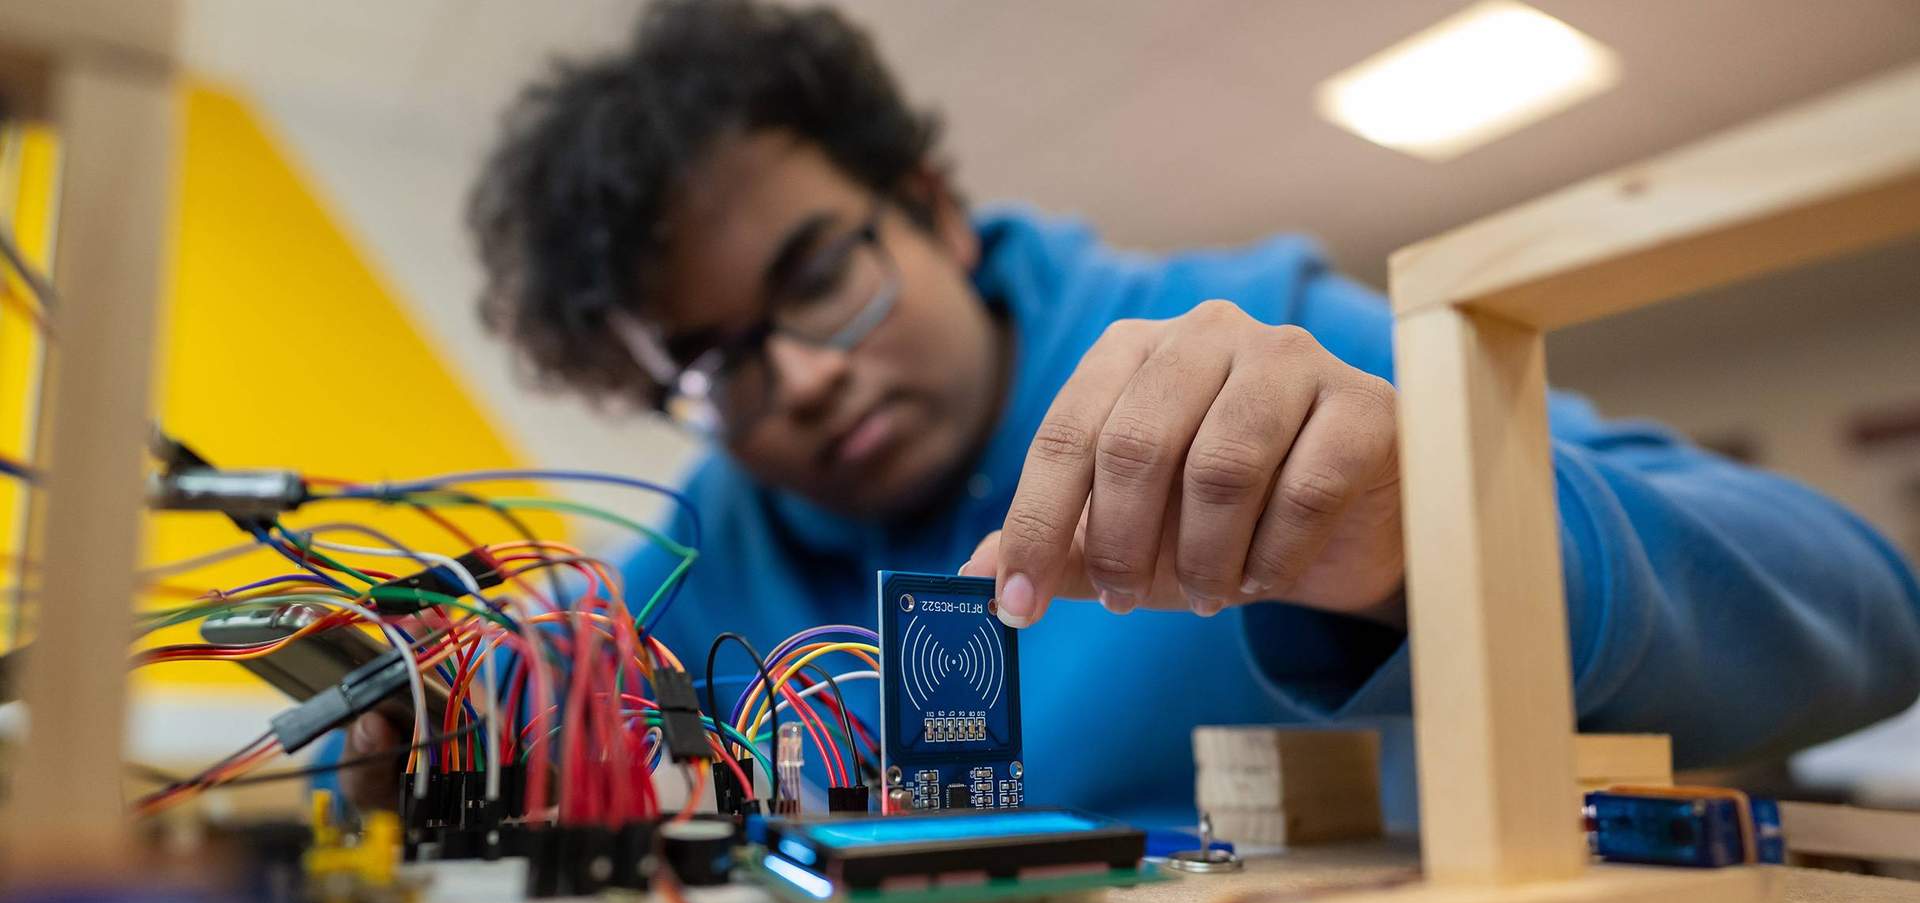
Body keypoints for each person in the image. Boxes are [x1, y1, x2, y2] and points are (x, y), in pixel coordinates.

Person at [345, 0, 1920, 827]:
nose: (801, 376)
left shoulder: (1265, 345)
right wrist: (460, 735)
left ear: (935, 208)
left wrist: (1428, 534)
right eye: (713, 359)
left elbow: (1869, 609)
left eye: (819, 274)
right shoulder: (692, 556)